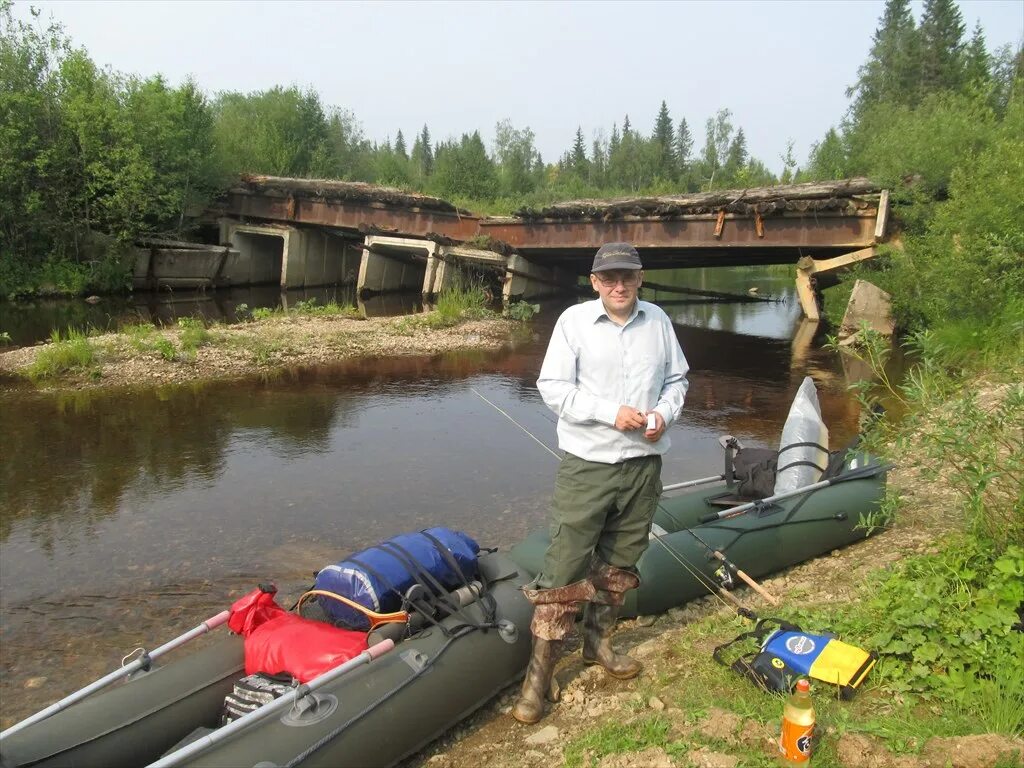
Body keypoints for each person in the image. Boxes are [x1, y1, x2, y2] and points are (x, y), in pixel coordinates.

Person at [513, 242, 689, 724]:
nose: (618, 285)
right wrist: (611, 414)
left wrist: (663, 415)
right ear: (594, 282)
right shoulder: (572, 323)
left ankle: (598, 645)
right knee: (564, 565)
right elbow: (552, 388)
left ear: (640, 279)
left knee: (621, 560)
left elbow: (678, 381)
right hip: (587, 464)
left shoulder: (658, 321)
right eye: (608, 277)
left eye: (626, 277)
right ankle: (539, 676)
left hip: (644, 465)